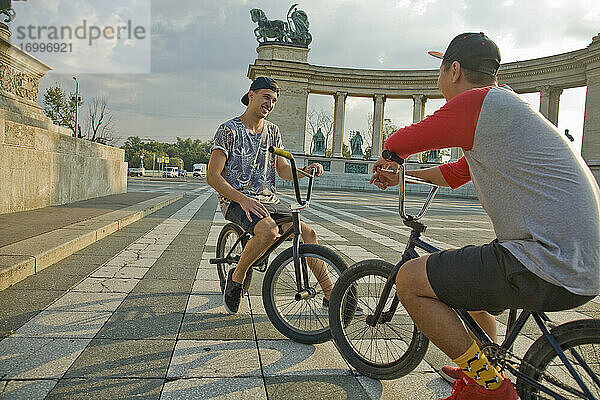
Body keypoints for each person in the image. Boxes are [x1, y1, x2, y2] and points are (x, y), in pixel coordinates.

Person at [370, 32, 600, 400]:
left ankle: (488, 386)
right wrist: (405, 174)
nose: (439, 77)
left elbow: (403, 140)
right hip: (579, 261)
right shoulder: (503, 109)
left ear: (454, 69)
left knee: (411, 279)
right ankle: (481, 363)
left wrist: (391, 156)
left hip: (547, 261)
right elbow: (455, 174)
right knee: (463, 273)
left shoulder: (478, 103)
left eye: (440, 68)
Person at [206, 77, 328, 315]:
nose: (270, 104)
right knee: (269, 232)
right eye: (266, 97)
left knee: (309, 233)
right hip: (236, 200)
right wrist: (242, 199)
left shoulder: (273, 131)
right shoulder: (228, 130)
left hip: (269, 200)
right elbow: (212, 176)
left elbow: (282, 170)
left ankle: (331, 294)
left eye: (273, 101)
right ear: (251, 95)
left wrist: (305, 172)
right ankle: (237, 277)